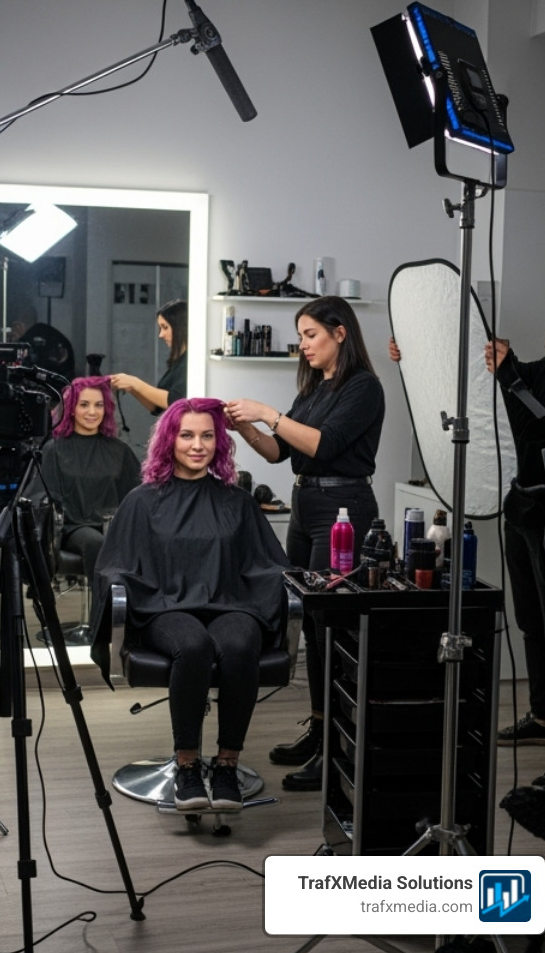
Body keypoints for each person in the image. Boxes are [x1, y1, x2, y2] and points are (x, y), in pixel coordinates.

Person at [392, 289, 545, 772]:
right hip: (523, 509)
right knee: (528, 619)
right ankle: (544, 715)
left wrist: (509, 371)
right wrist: (420, 352)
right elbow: (502, 387)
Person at [95, 398, 290, 810]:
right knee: (194, 646)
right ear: (169, 441)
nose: (197, 445)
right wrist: (125, 589)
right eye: (186, 435)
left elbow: (267, 564)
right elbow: (114, 566)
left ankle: (225, 764)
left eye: (207, 436)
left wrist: (283, 590)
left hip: (231, 604)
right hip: (165, 608)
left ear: (220, 443)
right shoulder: (142, 501)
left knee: (238, 646)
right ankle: (187, 766)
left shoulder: (236, 500)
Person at [225, 295, 384, 791]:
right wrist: (247, 427)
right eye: (301, 337)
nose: (303, 345)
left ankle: (339, 743)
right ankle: (319, 730)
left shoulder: (364, 389)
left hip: (344, 512)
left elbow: (323, 444)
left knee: (332, 627)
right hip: (305, 509)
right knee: (312, 627)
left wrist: (267, 411)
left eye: (310, 335)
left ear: (341, 332)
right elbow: (280, 452)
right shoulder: (316, 389)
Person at [38, 375, 142, 576]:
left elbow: (138, 496)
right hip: (74, 528)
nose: (92, 412)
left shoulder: (120, 450)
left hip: (114, 528)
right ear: (71, 409)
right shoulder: (54, 450)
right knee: (97, 543)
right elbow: (43, 497)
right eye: (84, 405)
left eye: (99, 405)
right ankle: (104, 606)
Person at [108, 297, 188, 414]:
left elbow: (174, 401)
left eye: (165, 327)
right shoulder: (177, 363)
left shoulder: (190, 363)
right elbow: (156, 408)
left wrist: (135, 382)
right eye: (160, 328)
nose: (161, 335)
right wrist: (131, 387)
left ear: (180, 327)